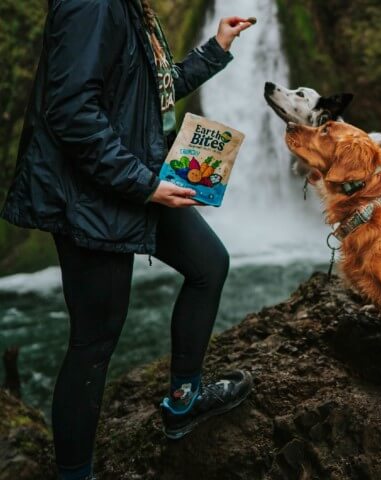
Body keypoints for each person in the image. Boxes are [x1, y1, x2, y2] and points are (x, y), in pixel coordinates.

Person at [0, 1, 255, 478]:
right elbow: (72, 111)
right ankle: (75, 474)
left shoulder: (130, 7)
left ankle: (184, 400)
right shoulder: (92, 4)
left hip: (137, 180)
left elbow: (151, 96)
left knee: (209, 265)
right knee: (94, 342)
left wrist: (215, 48)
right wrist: (143, 183)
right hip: (92, 195)